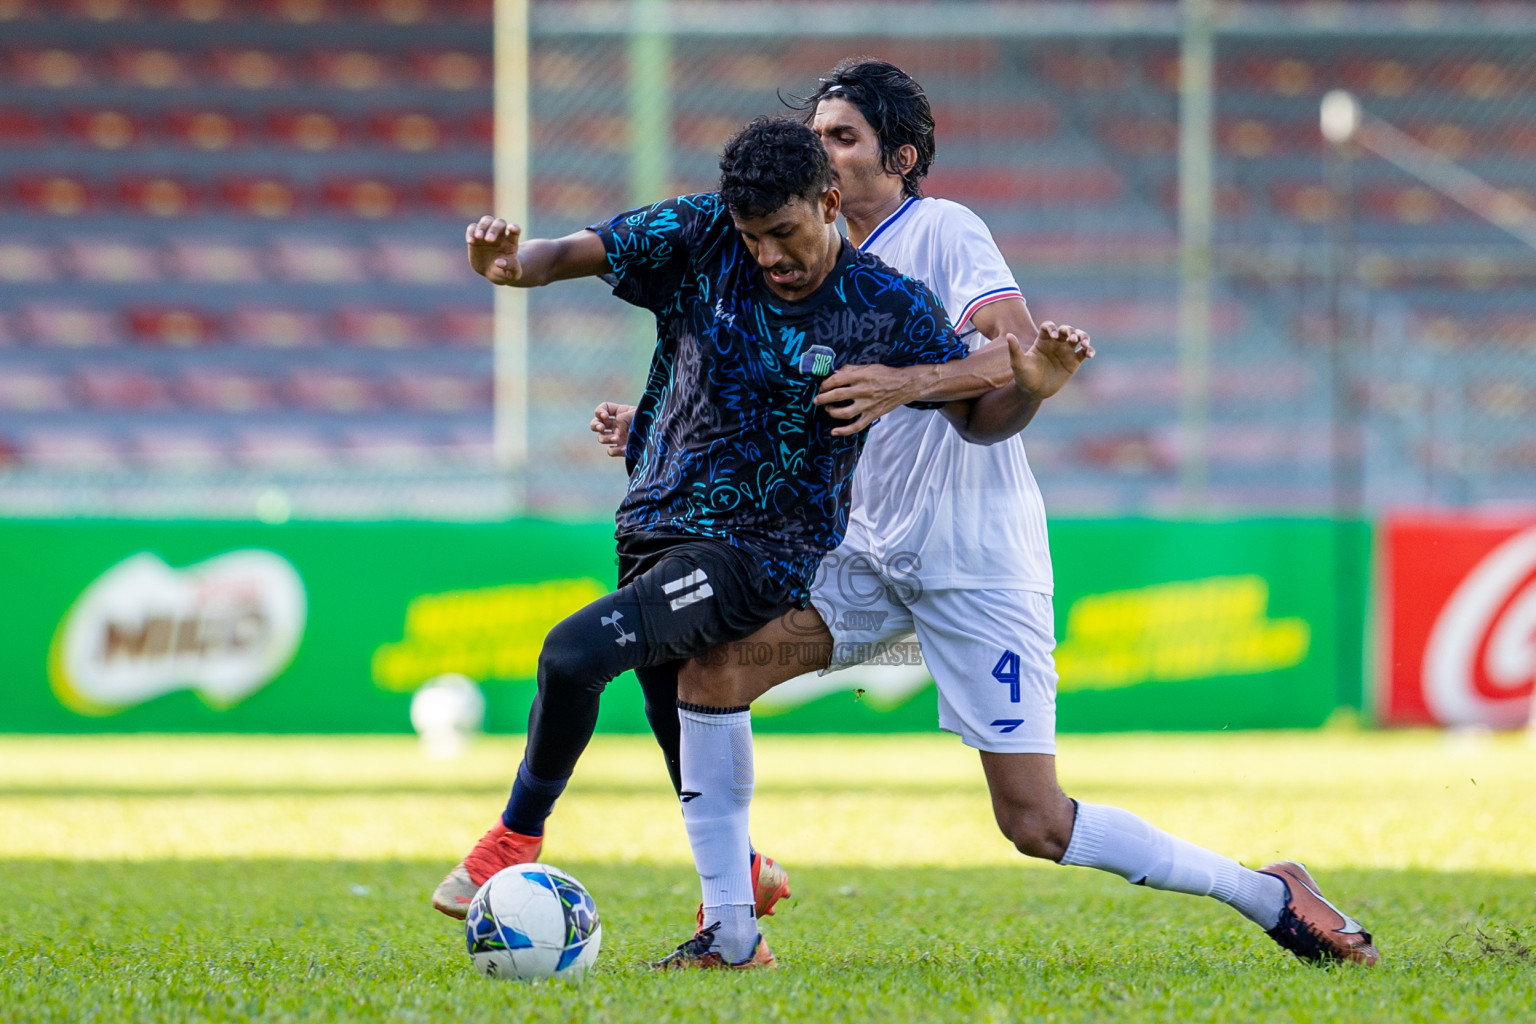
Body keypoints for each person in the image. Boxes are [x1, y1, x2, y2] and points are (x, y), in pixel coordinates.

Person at [619, 58, 1376, 970]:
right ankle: (732, 934)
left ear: (899, 157)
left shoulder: (941, 230)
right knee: (711, 673)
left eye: (843, 136)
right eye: (816, 134)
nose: (820, 149)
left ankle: (1268, 893)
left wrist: (911, 382)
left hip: (977, 560)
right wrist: (660, 426)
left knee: (1035, 822)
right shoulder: (795, 259)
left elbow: (1009, 366)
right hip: (859, 555)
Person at [430, 115, 1066, 934]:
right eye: (752, 235)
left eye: (784, 233)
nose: (768, 255)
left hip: (757, 553)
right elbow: (561, 255)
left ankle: (512, 836)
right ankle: (742, 894)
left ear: (829, 202)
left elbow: (982, 406)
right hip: (655, 523)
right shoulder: (697, 232)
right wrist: (511, 266)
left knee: (573, 653)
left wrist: (1019, 383)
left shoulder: (882, 301)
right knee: (680, 723)